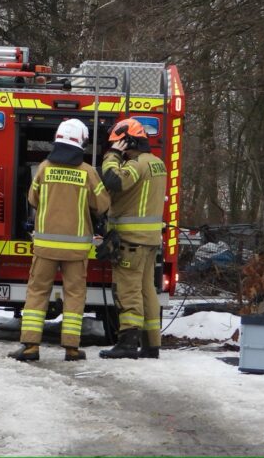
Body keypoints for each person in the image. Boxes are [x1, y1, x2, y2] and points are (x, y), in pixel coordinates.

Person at [8, 118, 110, 362]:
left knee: (37, 292)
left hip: (45, 247)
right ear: (81, 143)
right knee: (75, 294)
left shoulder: (44, 168)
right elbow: (102, 205)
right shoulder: (87, 172)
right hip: (76, 249)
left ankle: (31, 347)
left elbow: (32, 199)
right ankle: (72, 349)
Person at [99, 118, 167, 360]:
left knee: (127, 290)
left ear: (127, 141)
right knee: (147, 290)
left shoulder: (135, 165)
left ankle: (127, 342)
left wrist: (111, 156)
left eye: (118, 144)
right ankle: (151, 344)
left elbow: (113, 181)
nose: (117, 148)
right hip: (149, 241)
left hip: (131, 242)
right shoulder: (158, 163)